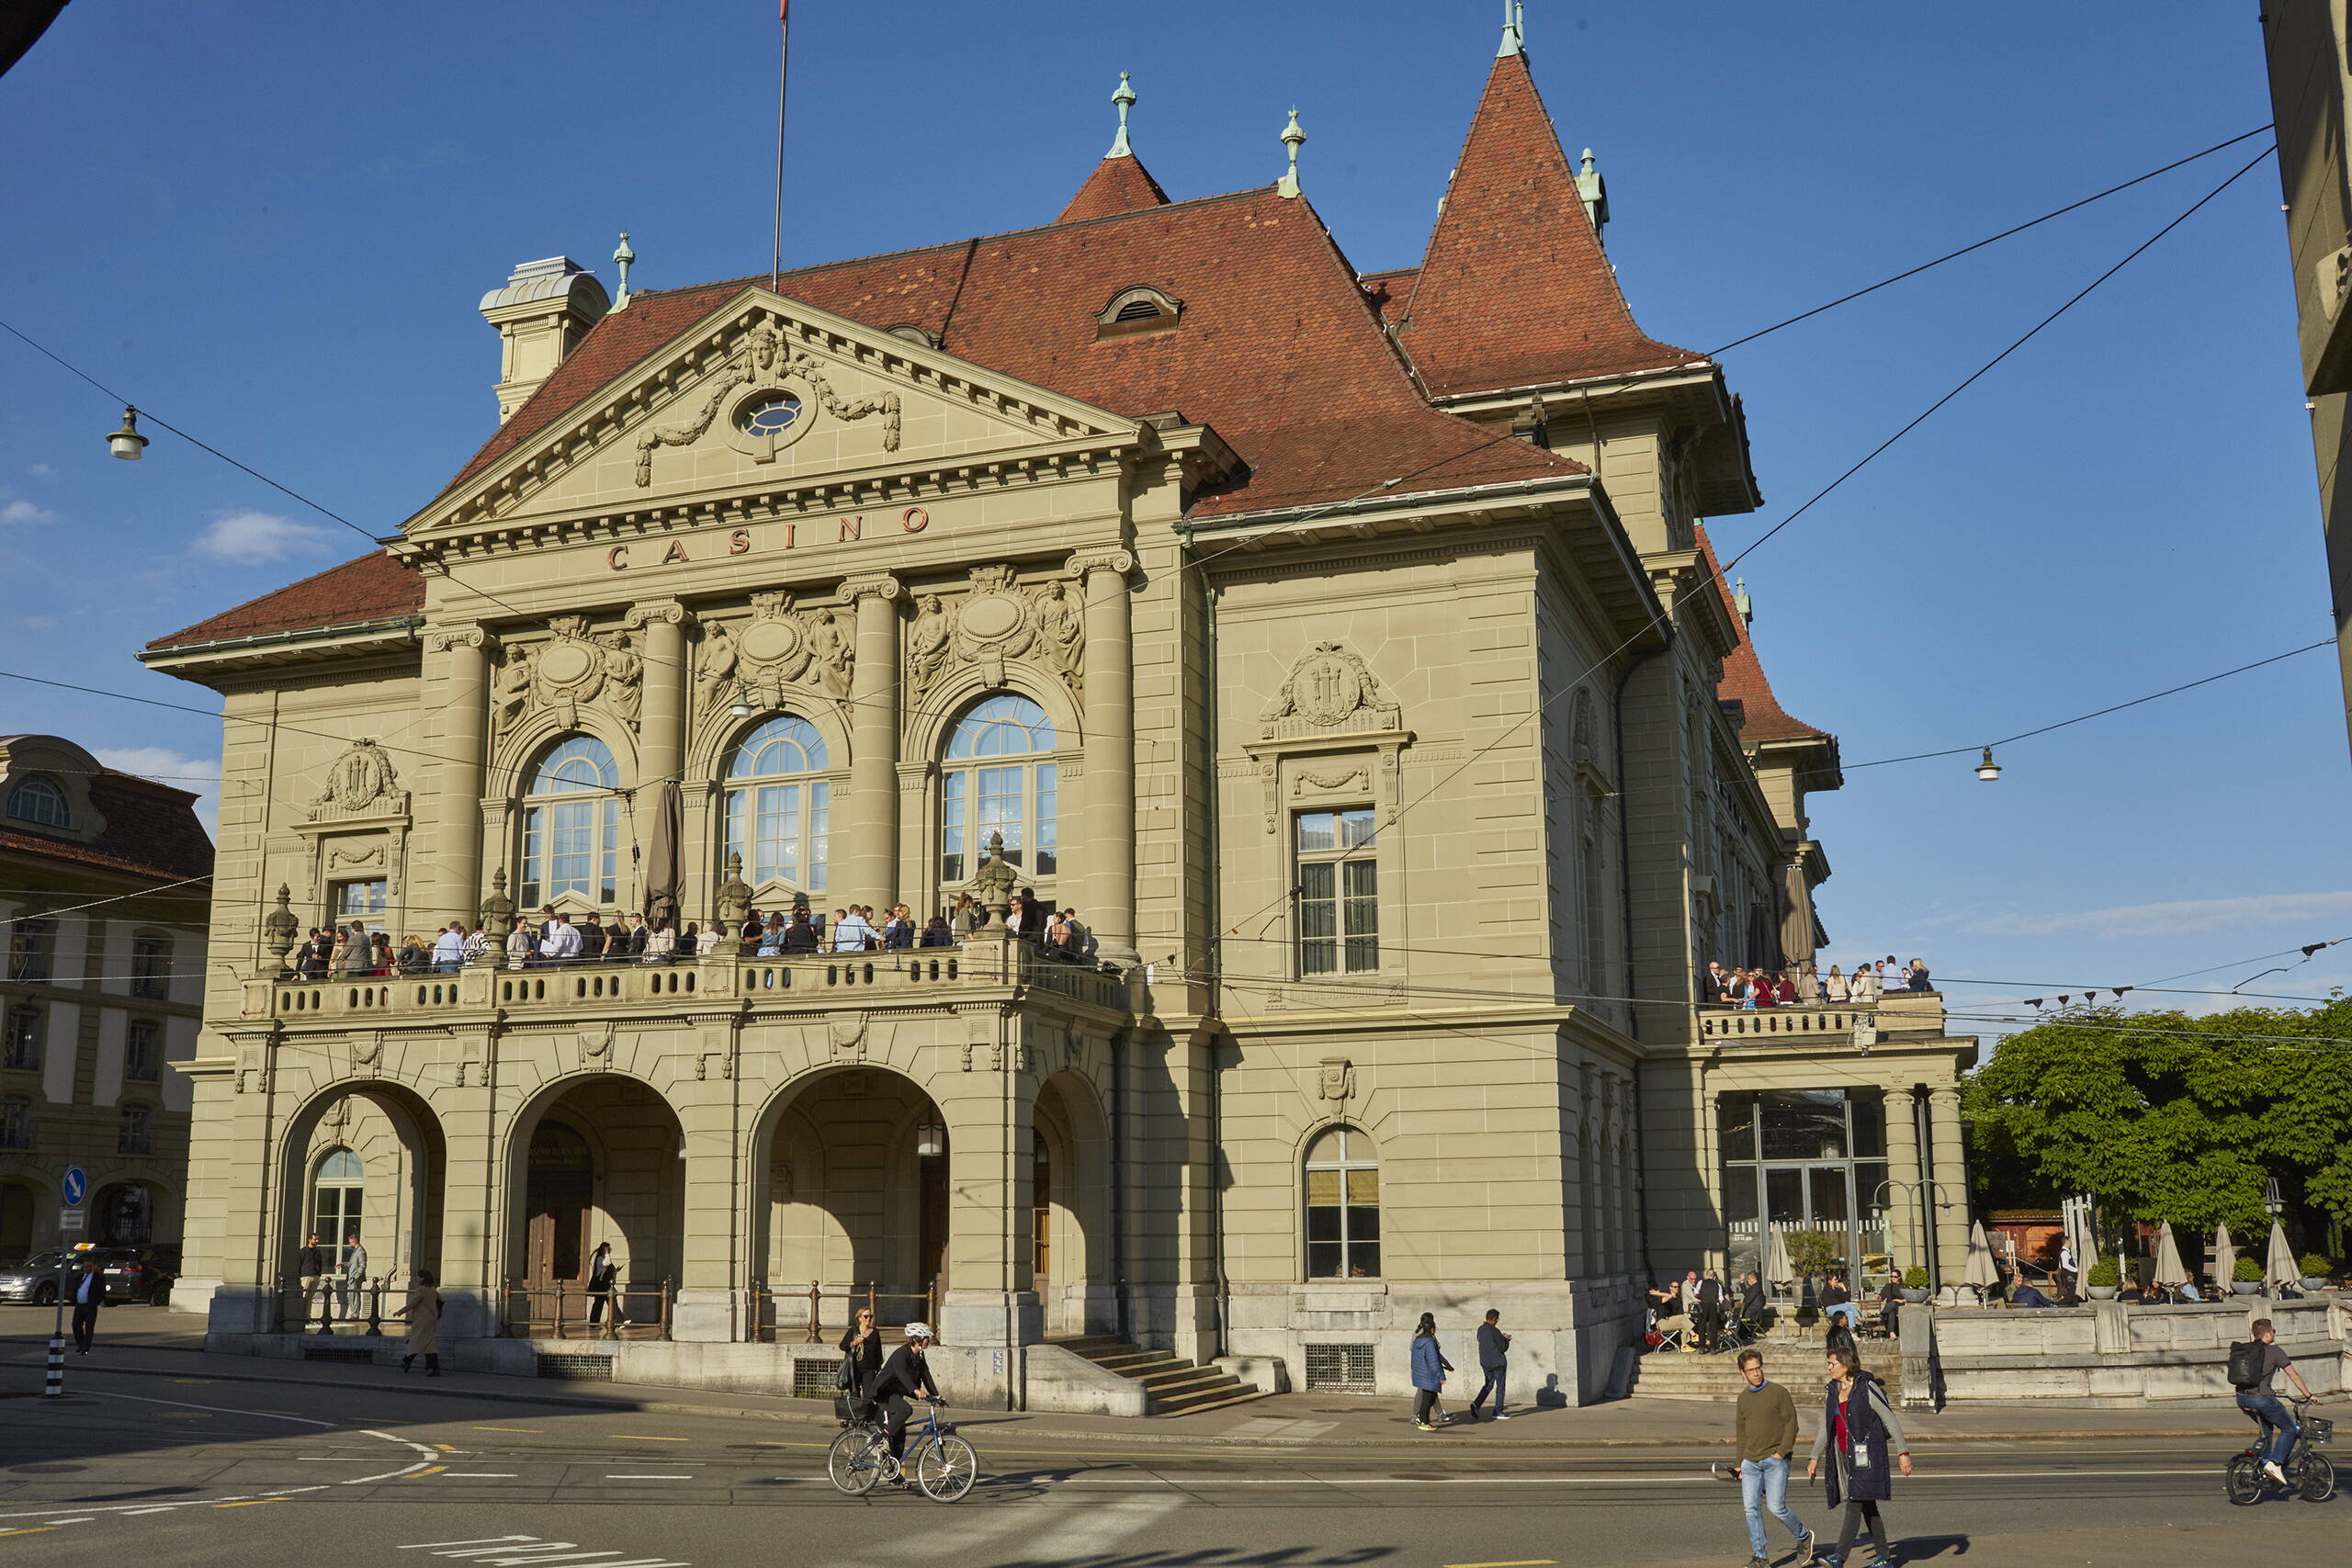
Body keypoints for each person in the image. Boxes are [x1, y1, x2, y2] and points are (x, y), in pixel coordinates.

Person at [1807, 1346, 1909, 1568]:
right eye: (1829, 1363)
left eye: (1832, 1363)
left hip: (1866, 1457)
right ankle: (1885, 1558)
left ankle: (1839, 1557)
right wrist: (1814, 1457)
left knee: (1854, 1503)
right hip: (1844, 1457)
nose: (1829, 1367)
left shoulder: (1866, 1387)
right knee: (1868, 1507)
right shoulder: (1833, 1390)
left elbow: (1889, 1419)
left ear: (1845, 1365)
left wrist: (1903, 1452)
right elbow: (1826, 1427)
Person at [1733, 1349, 1815, 1568]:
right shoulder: (1742, 1398)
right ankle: (1760, 1557)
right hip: (1750, 1461)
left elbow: (1792, 1424)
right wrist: (1738, 1464)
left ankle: (1803, 1536)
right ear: (1743, 1373)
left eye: (1758, 1368)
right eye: (1751, 1370)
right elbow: (1741, 1432)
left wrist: (1781, 1453)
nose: (1756, 1373)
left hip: (1775, 1460)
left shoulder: (1778, 1392)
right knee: (1751, 1510)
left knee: (1776, 1507)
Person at [2233, 1316, 2315, 1488]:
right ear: (2268, 1334)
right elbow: (2293, 1375)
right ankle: (2275, 1464)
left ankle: (2264, 1467)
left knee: (2267, 1432)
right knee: (2290, 1428)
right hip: (2261, 1399)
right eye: (2273, 1331)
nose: (2274, 1334)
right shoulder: (2275, 1351)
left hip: (2242, 1398)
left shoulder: (2246, 1350)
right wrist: (2309, 1395)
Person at [865, 1321, 944, 1482]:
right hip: (883, 1394)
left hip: (895, 1394)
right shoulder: (901, 1354)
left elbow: (925, 1375)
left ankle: (894, 1473)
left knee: (900, 1437)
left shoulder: (919, 1355)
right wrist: (915, 1390)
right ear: (916, 1339)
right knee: (906, 1409)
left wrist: (936, 1396)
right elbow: (902, 1374)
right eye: (926, 1338)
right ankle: (880, 1437)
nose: (928, 1341)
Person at [838, 1305, 885, 1426]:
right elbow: (842, 1346)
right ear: (859, 1318)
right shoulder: (853, 1331)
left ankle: (865, 1419)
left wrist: (878, 1369)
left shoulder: (875, 1332)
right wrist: (853, 1343)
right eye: (866, 1316)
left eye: (870, 1316)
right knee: (855, 1393)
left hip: (869, 1369)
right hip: (854, 1368)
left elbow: (878, 1353)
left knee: (868, 1395)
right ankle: (855, 1419)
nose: (868, 1319)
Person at [1409, 1312, 1453, 1431]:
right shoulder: (1429, 1341)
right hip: (1428, 1373)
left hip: (1421, 1371)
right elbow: (1433, 1359)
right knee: (1427, 1398)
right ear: (1432, 1328)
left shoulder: (1419, 1339)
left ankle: (1425, 1417)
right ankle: (1422, 1420)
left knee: (1431, 1396)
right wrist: (1441, 1375)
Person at [1467, 1308, 1512, 1421]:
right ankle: (1498, 1411)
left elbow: (1488, 1343)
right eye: (1497, 1319)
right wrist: (1506, 1340)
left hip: (1485, 1363)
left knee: (1488, 1384)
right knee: (1500, 1387)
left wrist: (1501, 1338)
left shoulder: (1480, 1329)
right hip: (1498, 1363)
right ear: (1494, 1319)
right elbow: (1502, 1347)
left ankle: (1476, 1404)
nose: (1497, 1322)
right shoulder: (1494, 1330)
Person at [395, 1269, 442, 1376]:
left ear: (422, 1278)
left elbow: (413, 1304)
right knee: (427, 1343)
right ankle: (431, 1367)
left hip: (422, 1320)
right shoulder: (433, 1289)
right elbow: (441, 1301)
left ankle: (407, 1362)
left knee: (417, 1341)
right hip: (431, 1318)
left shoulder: (421, 1290)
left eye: (419, 1276)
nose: (417, 1278)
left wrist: (400, 1312)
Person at [68, 1252, 107, 1354]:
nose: (87, 1268)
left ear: (93, 1267)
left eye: (89, 1266)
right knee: (76, 1325)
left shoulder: (98, 1278)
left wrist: (96, 1302)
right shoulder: (80, 1277)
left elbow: (102, 1292)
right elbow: (76, 1289)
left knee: (89, 1327)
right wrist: (73, 1300)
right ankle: (80, 1343)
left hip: (90, 1305)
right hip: (79, 1305)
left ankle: (86, 1347)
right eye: (86, 1267)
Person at [585, 1242, 624, 1332]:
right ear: (604, 1249)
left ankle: (619, 1321)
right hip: (600, 1285)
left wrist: (616, 1270)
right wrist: (607, 1253)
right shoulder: (600, 1259)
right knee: (598, 1305)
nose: (609, 1251)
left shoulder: (604, 1258)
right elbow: (606, 1263)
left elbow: (608, 1269)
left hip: (605, 1285)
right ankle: (593, 1324)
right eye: (608, 1249)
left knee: (611, 1303)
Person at [296, 1232, 327, 1325]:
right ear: (309, 1240)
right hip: (306, 1276)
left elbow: (320, 1263)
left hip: (315, 1276)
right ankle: (301, 1317)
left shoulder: (318, 1252)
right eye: (315, 1239)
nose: (317, 1241)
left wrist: (319, 1274)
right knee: (304, 1297)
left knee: (310, 1298)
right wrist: (299, 1276)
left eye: (317, 1239)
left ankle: (307, 1317)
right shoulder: (303, 1251)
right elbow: (299, 1264)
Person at [1695, 1269, 1727, 1353]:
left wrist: (1702, 1297)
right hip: (1713, 1306)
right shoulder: (1717, 1285)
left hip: (1703, 1306)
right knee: (1713, 1326)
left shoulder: (1701, 1282)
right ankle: (1713, 1347)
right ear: (1714, 1277)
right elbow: (1721, 1300)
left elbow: (1696, 1293)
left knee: (1702, 1326)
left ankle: (1701, 1347)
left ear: (1706, 1275)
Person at [339, 1231, 368, 1321]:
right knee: (351, 1295)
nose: (349, 1244)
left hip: (355, 1278)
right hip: (351, 1277)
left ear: (354, 1241)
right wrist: (343, 1264)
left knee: (354, 1296)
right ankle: (353, 1313)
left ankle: (355, 1314)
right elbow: (352, 1264)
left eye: (350, 1242)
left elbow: (362, 1266)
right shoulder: (355, 1250)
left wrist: (356, 1277)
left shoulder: (360, 1251)